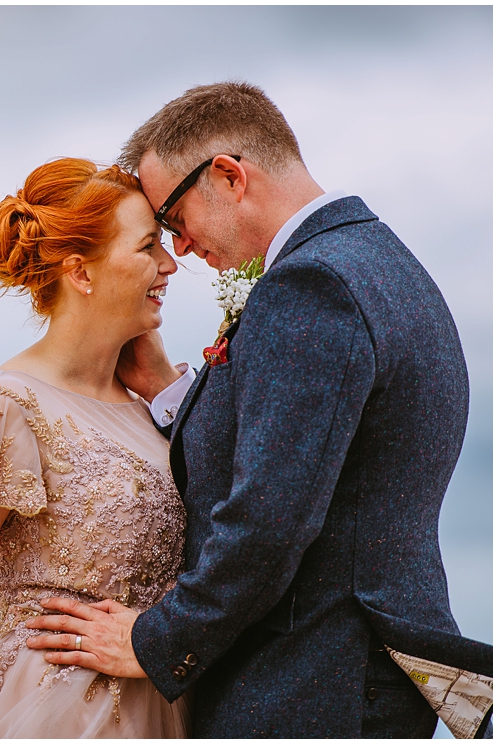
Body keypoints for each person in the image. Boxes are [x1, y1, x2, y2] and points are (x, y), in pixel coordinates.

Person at [26, 82, 493, 738]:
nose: (178, 249)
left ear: (227, 175)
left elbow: (268, 520)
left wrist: (157, 640)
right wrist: (166, 389)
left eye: (174, 219)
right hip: (348, 673)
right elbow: (310, 455)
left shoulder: (311, 286)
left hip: (306, 679)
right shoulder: (376, 263)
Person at [0, 158, 192, 738]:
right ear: (80, 271)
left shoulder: (158, 406)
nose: (169, 264)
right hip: (56, 711)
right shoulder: (6, 408)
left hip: (168, 700)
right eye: (148, 246)